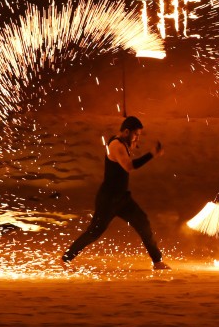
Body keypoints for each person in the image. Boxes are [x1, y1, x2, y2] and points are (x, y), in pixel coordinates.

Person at [61, 115, 169, 270]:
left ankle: (157, 261)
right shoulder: (116, 145)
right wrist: (151, 154)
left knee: (143, 222)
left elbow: (128, 154)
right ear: (126, 131)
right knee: (94, 232)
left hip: (122, 198)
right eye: (136, 135)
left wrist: (133, 143)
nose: (137, 138)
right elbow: (129, 167)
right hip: (108, 199)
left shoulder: (124, 143)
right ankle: (66, 259)